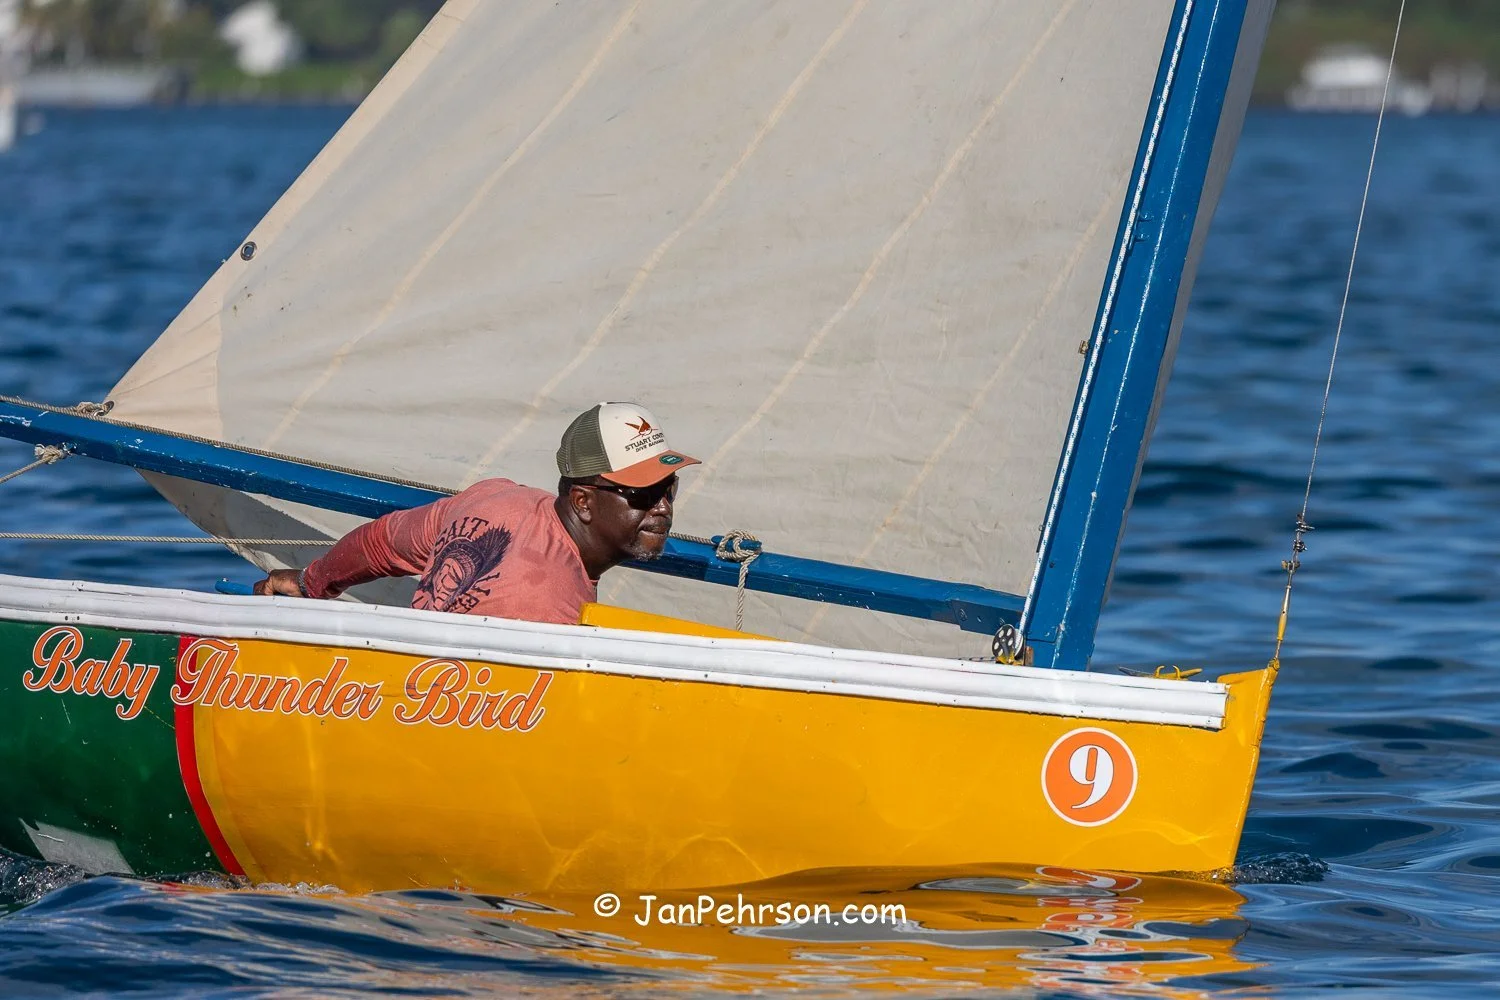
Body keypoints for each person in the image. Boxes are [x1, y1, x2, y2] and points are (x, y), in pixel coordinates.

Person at [254, 402, 699, 624]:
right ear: (583, 501)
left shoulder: (490, 499)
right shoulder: (548, 607)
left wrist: (310, 582)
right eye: (642, 494)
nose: (662, 507)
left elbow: (380, 542)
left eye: (669, 487)